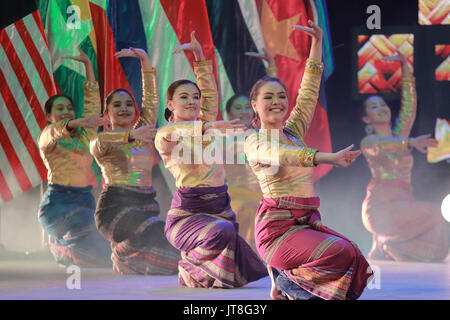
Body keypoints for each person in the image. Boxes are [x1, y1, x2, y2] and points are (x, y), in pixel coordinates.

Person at [245, 21, 372, 300]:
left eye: (281, 96)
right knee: (338, 252)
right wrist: (329, 158)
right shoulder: (255, 141)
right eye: (268, 97)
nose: (277, 101)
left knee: (350, 254)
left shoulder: (292, 131)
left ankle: (282, 281)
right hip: (276, 231)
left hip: (303, 223)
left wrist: (317, 44)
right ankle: (284, 278)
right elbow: (283, 155)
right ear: (254, 105)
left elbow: (309, 91)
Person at [155, 31, 268, 288]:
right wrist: (208, 127)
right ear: (170, 104)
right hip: (187, 214)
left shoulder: (207, 127)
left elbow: (210, 93)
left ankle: (198, 269)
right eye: (184, 97)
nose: (193, 101)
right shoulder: (167, 135)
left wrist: (200, 57)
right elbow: (178, 130)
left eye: (195, 97)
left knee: (236, 270)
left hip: (221, 207)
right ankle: (188, 266)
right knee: (224, 234)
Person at [90, 47, 180, 275]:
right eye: (117, 105)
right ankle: (122, 252)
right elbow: (102, 141)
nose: (124, 108)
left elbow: (151, 101)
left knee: (173, 257)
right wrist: (131, 135)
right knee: (159, 231)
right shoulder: (102, 141)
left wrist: (145, 60)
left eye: (129, 104)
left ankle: (125, 256)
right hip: (115, 209)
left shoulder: (142, 130)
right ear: (106, 113)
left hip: (145, 204)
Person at [360, 50, 449, 262]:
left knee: (435, 251)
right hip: (380, 208)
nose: (381, 108)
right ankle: (384, 241)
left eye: (382, 104)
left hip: (403, 205)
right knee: (436, 214)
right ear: (366, 119)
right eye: (374, 106)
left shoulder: (400, 134)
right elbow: (384, 146)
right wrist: (411, 142)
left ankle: (386, 246)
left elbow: (409, 106)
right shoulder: (369, 143)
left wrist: (405, 67)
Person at [38, 48, 112, 267]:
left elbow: (91, 105)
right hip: (57, 204)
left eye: (70, 107)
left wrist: (89, 67)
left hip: (84, 199)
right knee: (86, 224)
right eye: (60, 109)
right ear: (49, 117)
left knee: (102, 246)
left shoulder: (84, 136)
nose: (67, 111)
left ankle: (64, 249)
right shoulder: (47, 136)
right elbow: (61, 128)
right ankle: (62, 246)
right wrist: (78, 121)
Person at [224, 50, 277, 251]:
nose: (244, 111)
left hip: (262, 194)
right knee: (246, 212)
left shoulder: (262, 135)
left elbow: (274, 105)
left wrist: (271, 69)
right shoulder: (221, 138)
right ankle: (244, 254)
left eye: (247, 107)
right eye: (238, 108)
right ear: (229, 112)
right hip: (235, 195)